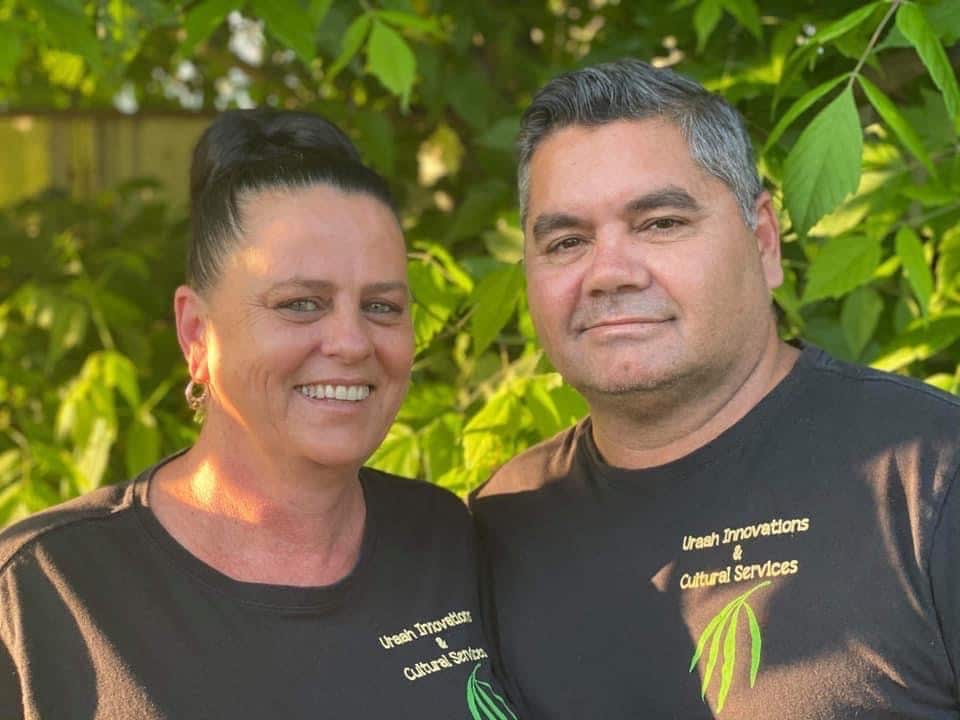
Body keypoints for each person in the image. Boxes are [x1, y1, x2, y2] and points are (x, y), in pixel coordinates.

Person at [471, 59, 960, 719]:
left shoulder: (929, 478)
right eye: (566, 241)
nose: (608, 273)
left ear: (763, 240)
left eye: (660, 223)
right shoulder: (496, 528)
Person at [0, 109, 517, 719]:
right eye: (301, 303)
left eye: (381, 306)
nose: (351, 343)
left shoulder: (445, 539)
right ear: (196, 333)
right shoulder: (46, 587)